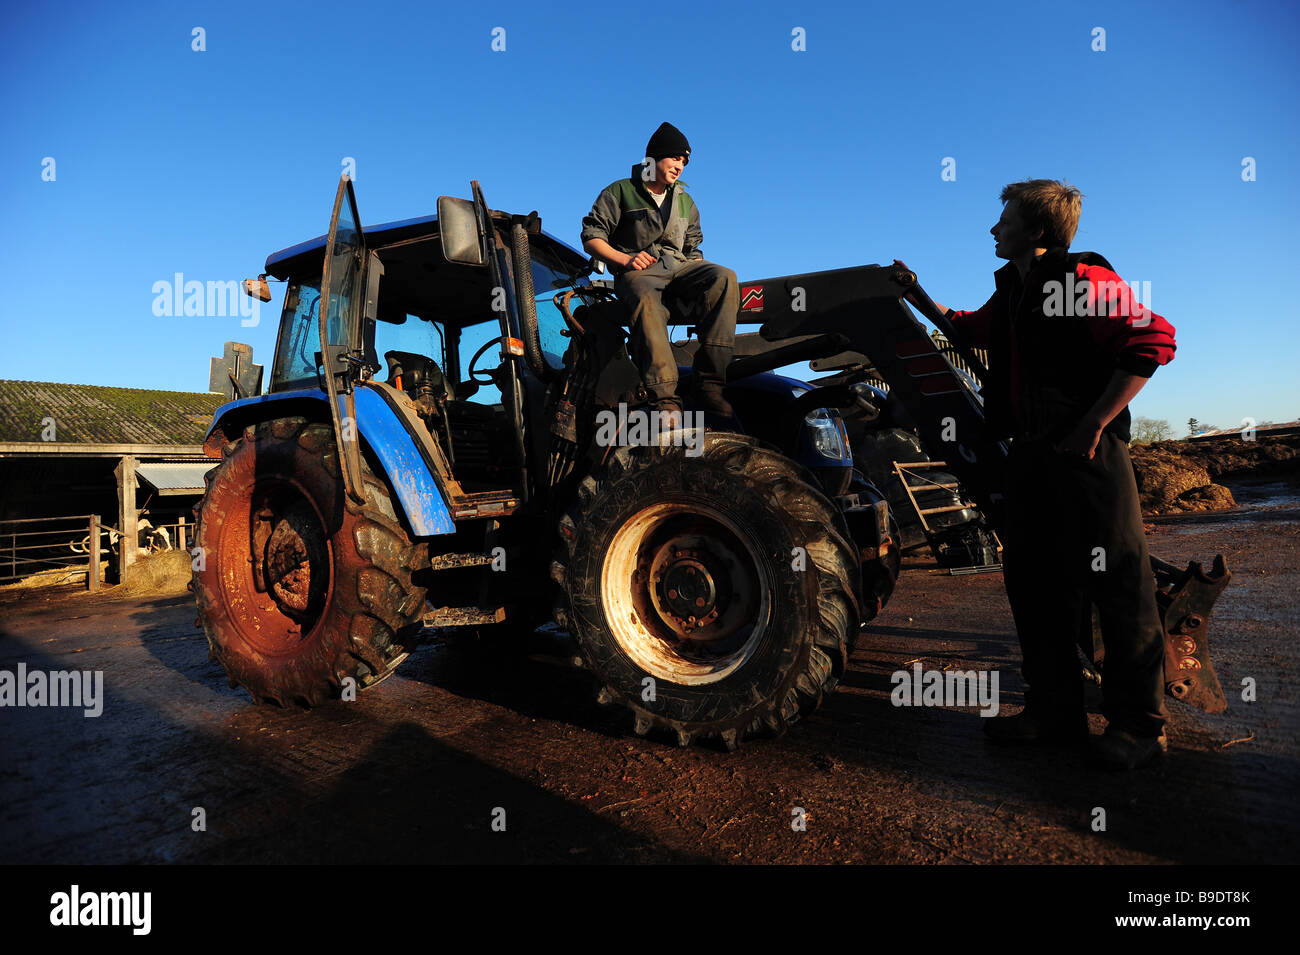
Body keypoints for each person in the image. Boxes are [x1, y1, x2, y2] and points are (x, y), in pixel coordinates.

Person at [912, 179, 1177, 770]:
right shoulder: (1012, 291)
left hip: (1087, 455)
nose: (992, 229)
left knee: (1119, 584)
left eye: (1002, 219)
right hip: (1030, 456)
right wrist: (912, 293)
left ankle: (1139, 727)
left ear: (1035, 230)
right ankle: (1055, 711)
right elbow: (965, 331)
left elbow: (1153, 339)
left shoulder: (1082, 280)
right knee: (1034, 585)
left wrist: (1093, 424)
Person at [580, 122, 738, 424]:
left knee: (724, 277)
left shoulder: (685, 201)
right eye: (675, 158)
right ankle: (665, 399)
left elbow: (694, 247)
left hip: (680, 267)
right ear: (654, 158)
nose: (680, 167)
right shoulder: (621, 192)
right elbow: (592, 236)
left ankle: (711, 384)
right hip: (640, 272)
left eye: (684, 162)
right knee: (645, 299)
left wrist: (695, 271)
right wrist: (624, 260)